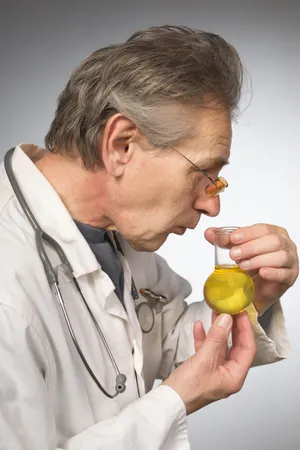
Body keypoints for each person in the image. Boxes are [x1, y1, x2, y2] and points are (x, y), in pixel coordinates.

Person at [0, 25, 298, 450]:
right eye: (204, 173)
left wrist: (257, 294)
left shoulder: (113, 230)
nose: (213, 206)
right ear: (121, 145)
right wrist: (174, 402)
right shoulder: (7, 289)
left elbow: (167, 339)